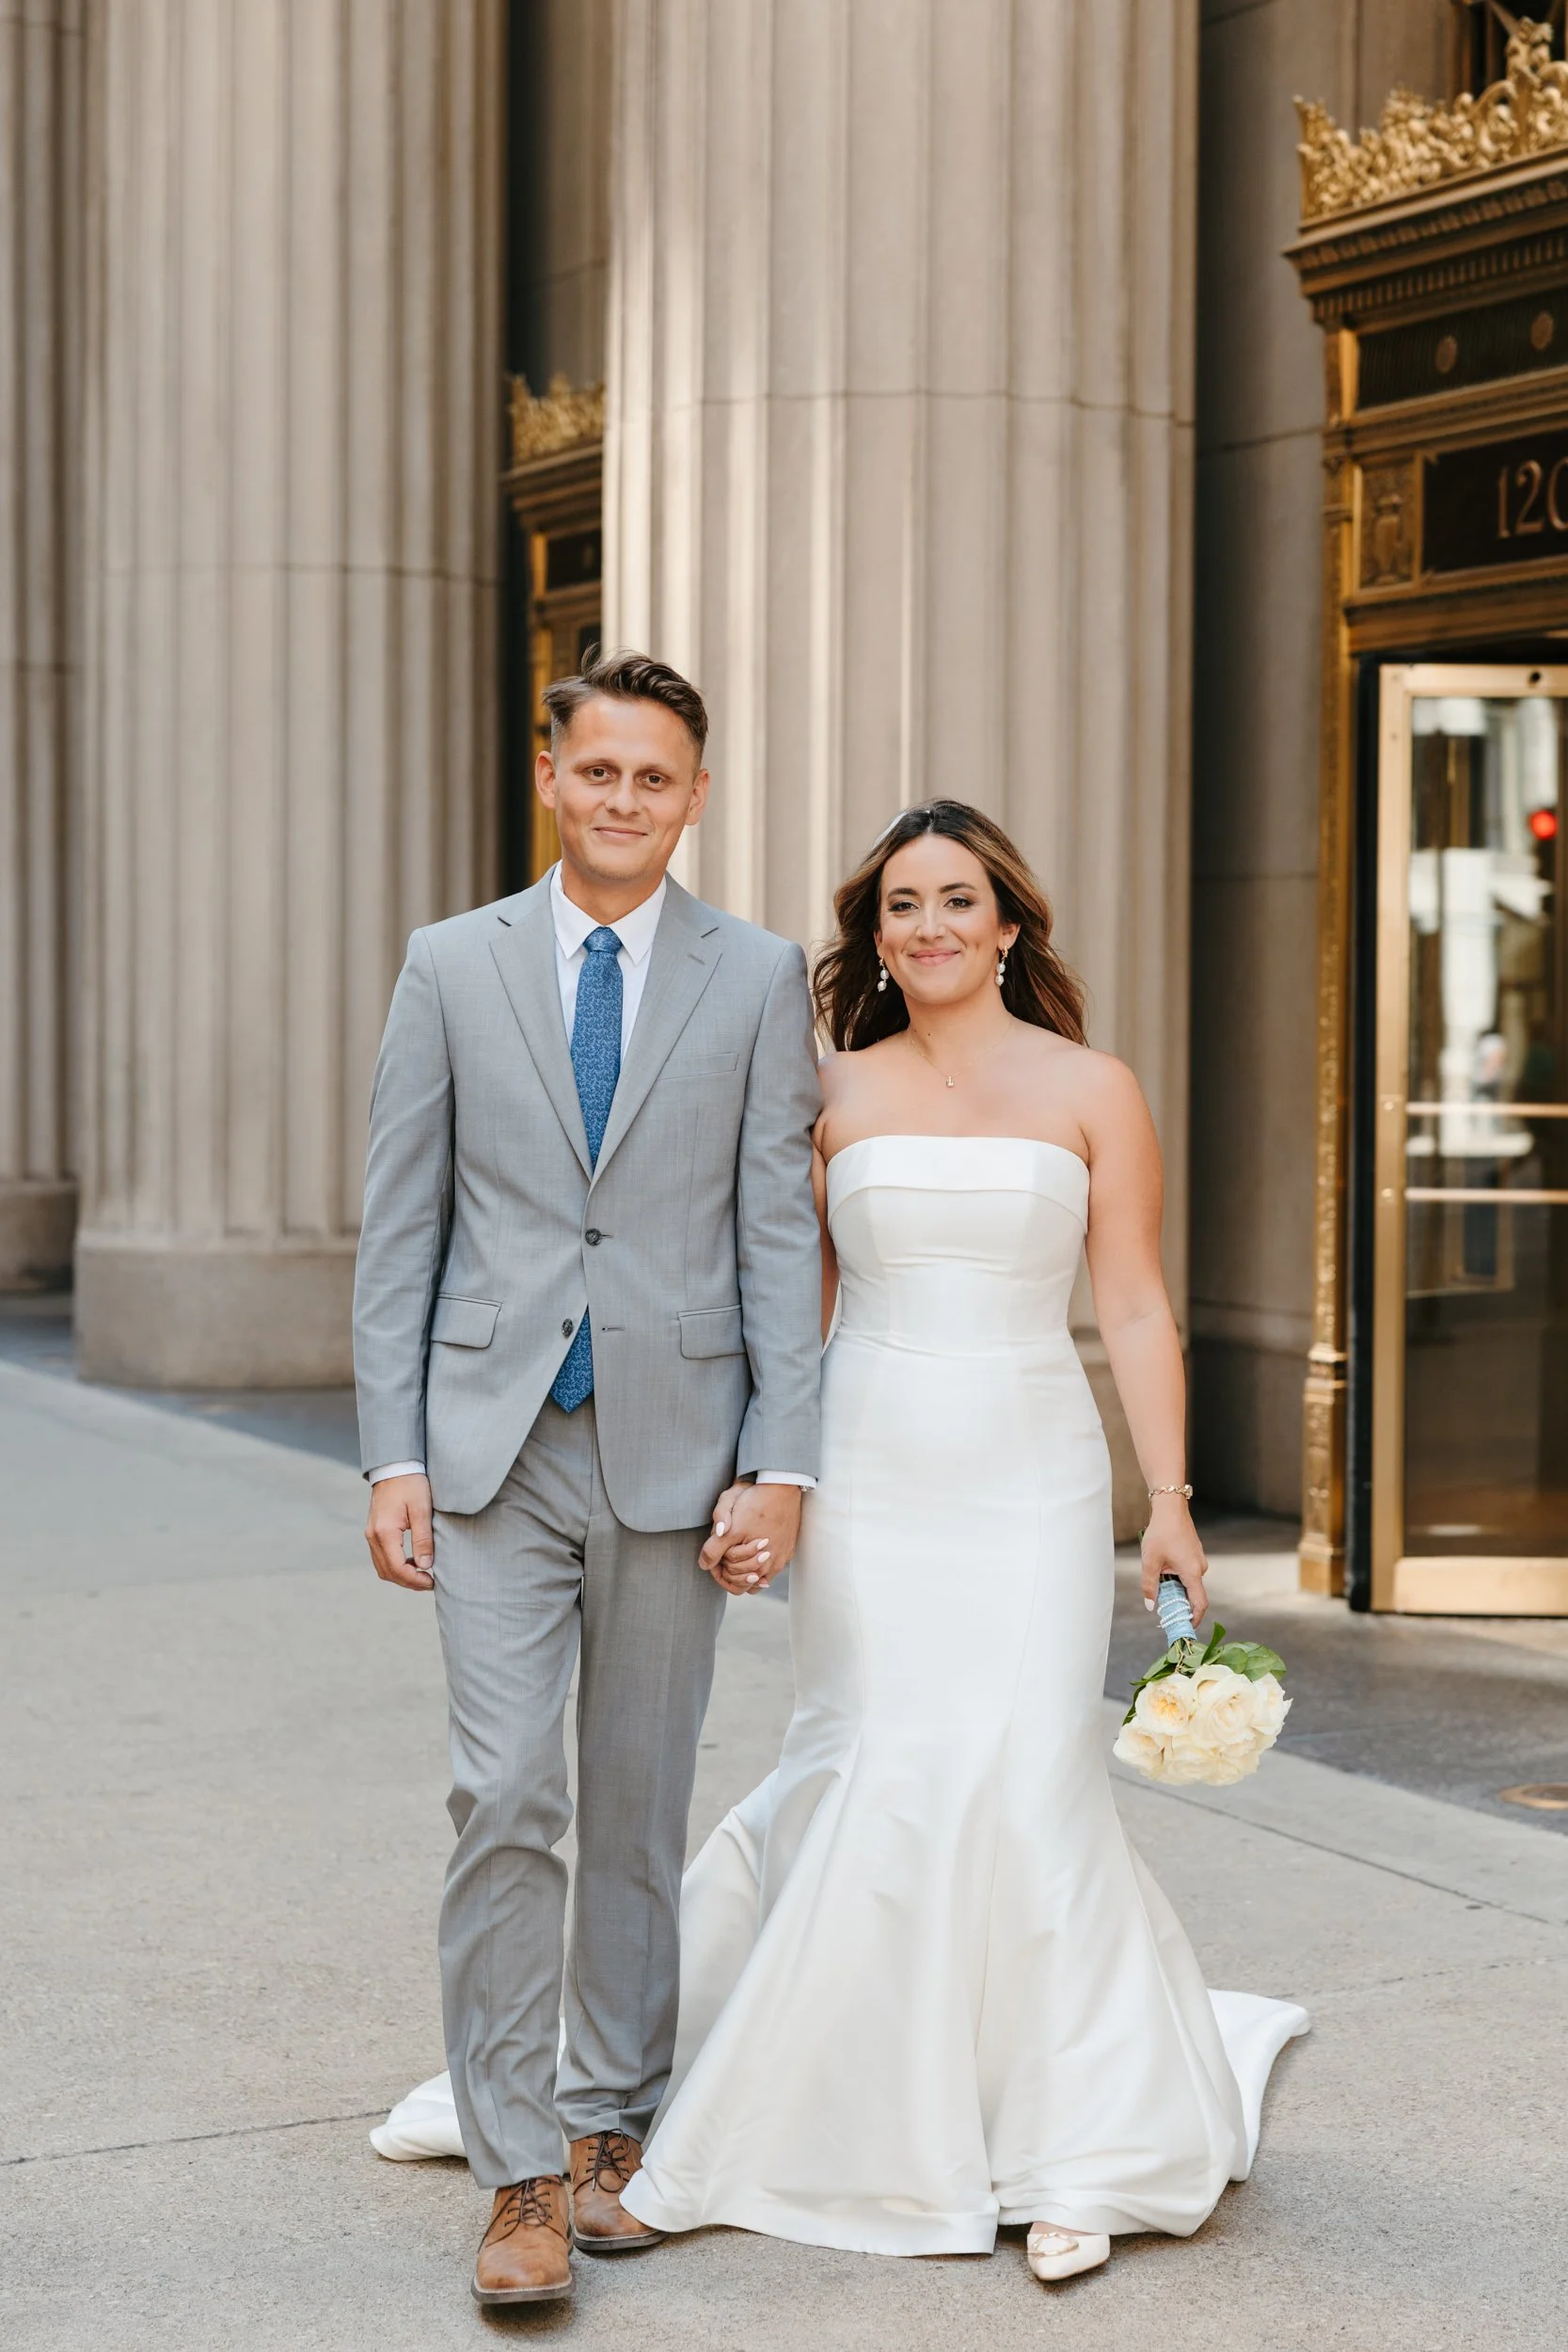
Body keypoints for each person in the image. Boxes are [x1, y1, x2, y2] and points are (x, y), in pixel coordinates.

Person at [618, 800, 1308, 2282]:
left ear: (1006, 927)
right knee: (876, 1758)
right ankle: (829, 2115)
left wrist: (1171, 1501)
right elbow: (787, 1310)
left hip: (1032, 1474)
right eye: (900, 906)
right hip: (868, 1468)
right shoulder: (826, 1089)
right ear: (875, 938)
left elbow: (1134, 1303)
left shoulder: (1093, 1087)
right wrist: (761, 1478)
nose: (926, 926)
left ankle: (1073, 2145)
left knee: (1029, 1778)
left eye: (954, 900)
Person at [353, 650, 822, 2307]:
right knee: (503, 1797)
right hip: (491, 1447)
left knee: (634, 1804)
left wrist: (779, 1462)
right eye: (598, 769)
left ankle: (612, 2125)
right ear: (550, 775)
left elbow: (777, 1233)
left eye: (655, 776)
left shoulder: (756, 976)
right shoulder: (451, 962)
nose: (625, 798)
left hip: (676, 1455)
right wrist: (393, 1449)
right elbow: (402, 1219)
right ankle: (517, 2175)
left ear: (695, 796)